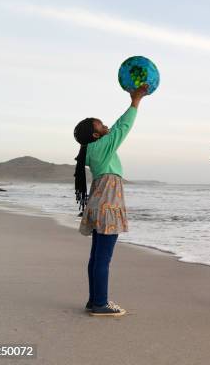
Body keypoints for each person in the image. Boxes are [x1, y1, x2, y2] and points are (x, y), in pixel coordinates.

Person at [72, 84, 148, 317]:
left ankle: (94, 299)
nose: (105, 125)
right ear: (95, 134)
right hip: (107, 204)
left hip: (98, 202)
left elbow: (115, 128)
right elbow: (121, 128)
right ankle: (100, 304)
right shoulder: (102, 145)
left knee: (96, 256)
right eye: (100, 124)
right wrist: (136, 101)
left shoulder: (94, 148)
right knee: (103, 258)